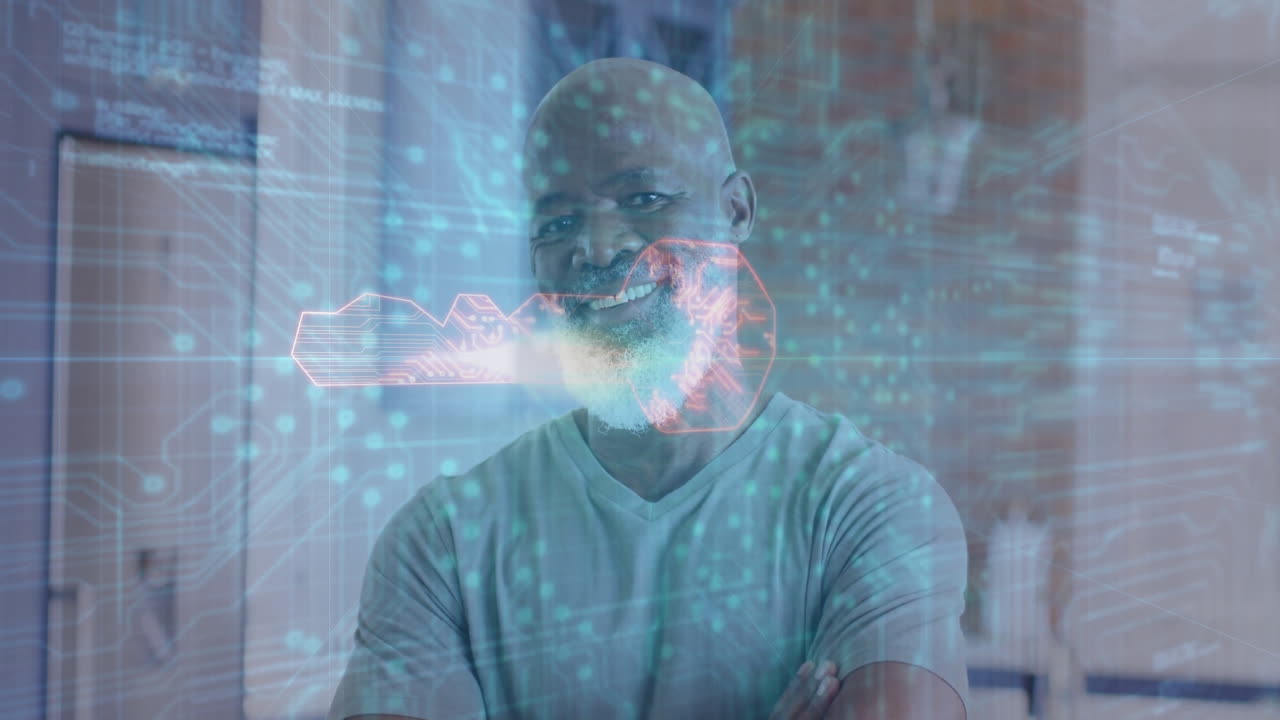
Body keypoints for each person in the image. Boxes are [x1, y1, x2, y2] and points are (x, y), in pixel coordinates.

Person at [328, 58, 969, 720]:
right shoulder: (445, 545)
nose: (597, 248)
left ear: (736, 210)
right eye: (556, 223)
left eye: (644, 199)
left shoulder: (872, 513)